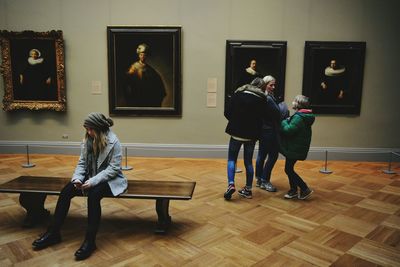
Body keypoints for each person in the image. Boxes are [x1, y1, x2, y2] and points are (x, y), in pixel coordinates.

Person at [31, 113, 128, 261]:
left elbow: (113, 169)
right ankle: (53, 233)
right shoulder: (87, 140)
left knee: (94, 195)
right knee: (66, 191)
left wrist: (93, 181)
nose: (88, 132)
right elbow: (82, 164)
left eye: (91, 129)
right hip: (90, 177)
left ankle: (90, 241)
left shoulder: (114, 142)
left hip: (110, 180)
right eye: (87, 129)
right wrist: (77, 179)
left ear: (99, 128)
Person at [224, 77, 268, 200]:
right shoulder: (262, 99)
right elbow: (263, 118)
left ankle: (231, 184)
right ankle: (248, 189)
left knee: (232, 159)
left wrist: (236, 121)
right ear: (261, 88)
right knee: (248, 162)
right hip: (251, 135)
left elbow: (227, 112)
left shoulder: (238, 94)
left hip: (236, 133)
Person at [280, 95, 315, 200]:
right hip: (296, 146)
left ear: (299, 104)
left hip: (294, 147)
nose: (293, 102)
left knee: (288, 169)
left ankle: (304, 188)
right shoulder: (303, 115)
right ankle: (293, 190)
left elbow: (288, 130)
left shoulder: (299, 117)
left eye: (295, 100)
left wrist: (283, 121)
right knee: (289, 168)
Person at [255, 75, 281, 192]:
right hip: (270, 131)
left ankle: (259, 179)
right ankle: (265, 180)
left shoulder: (262, 96)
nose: (273, 87)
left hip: (264, 130)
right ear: (265, 85)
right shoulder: (268, 98)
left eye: (274, 85)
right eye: (271, 85)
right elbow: (278, 113)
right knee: (273, 155)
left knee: (261, 155)